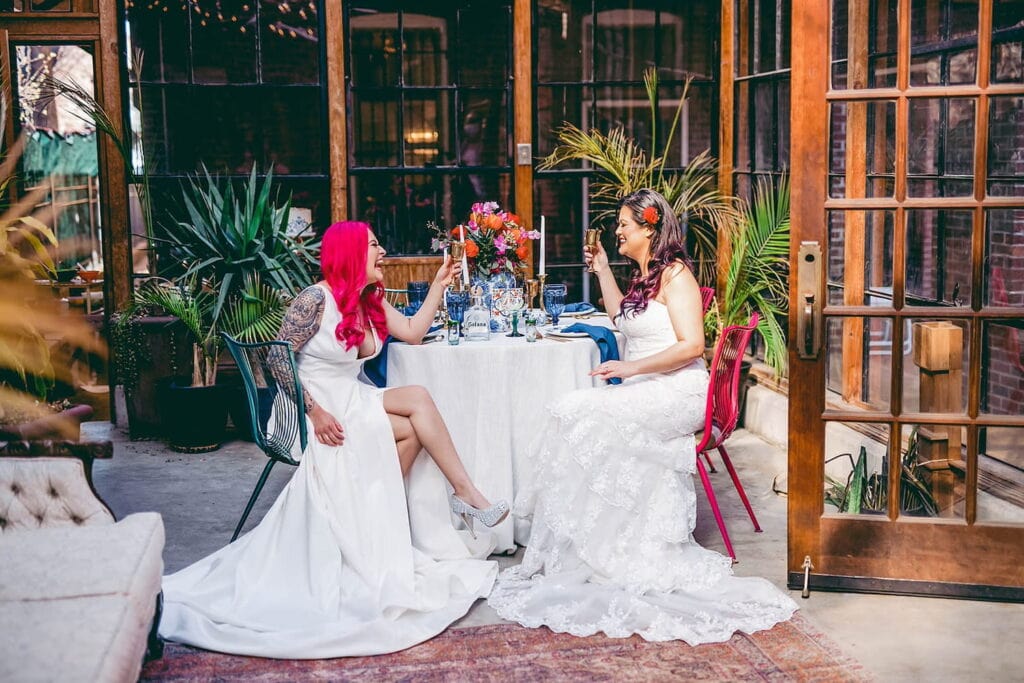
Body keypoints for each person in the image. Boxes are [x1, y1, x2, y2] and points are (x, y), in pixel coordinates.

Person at [160, 221, 508, 658]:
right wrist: (315, 410)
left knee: (418, 422)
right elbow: (276, 359)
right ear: (350, 253)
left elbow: (414, 333)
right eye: (375, 246)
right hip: (315, 410)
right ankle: (464, 494)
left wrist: (438, 285)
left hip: (353, 401)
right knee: (418, 405)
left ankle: (426, 501)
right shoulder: (314, 299)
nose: (382, 252)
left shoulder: (368, 299)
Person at [488, 189, 797, 643]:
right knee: (580, 414)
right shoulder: (644, 275)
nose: (617, 231)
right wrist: (604, 271)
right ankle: (604, 543)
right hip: (647, 386)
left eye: (623, 226)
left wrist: (629, 368)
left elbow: (692, 346)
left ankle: (612, 547)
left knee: (575, 409)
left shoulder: (677, 275)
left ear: (649, 227)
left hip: (679, 389)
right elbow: (621, 316)